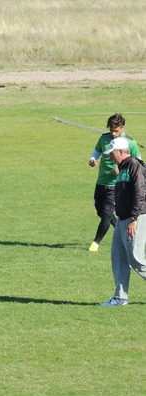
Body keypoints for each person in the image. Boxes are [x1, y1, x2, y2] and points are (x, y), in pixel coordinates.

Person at [100, 137, 146, 306]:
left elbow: (140, 193)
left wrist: (134, 218)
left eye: (112, 153)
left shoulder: (134, 165)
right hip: (122, 219)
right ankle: (120, 298)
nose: (110, 156)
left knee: (136, 259)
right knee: (118, 257)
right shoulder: (122, 167)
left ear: (121, 152)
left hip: (136, 217)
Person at [87, 113, 141, 252]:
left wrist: (122, 170)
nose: (113, 133)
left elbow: (138, 162)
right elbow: (96, 152)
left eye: (116, 131)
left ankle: (95, 243)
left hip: (116, 184)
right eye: (111, 130)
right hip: (101, 181)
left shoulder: (130, 142)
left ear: (122, 128)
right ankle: (120, 230)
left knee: (106, 213)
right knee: (101, 210)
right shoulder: (104, 138)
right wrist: (93, 160)